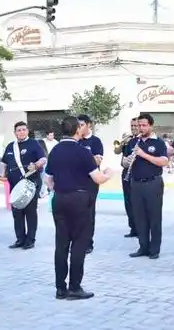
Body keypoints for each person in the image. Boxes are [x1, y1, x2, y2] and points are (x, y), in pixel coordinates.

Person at [45, 115, 113, 300]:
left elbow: (48, 179)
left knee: (61, 244)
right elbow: (97, 178)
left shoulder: (55, 150)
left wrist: (60, 188)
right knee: (78, 243)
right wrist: (108, 174)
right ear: (77, 130)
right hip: (79, 199)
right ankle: (74, 287)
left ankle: (60, 288)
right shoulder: (82, 151)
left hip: (59, 199)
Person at [127, 113, 169, 259]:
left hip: (153, 183)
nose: (141, 128)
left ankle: (154, 249)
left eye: (144, 125)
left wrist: (143, 154)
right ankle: (143, 246)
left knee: (154, 217)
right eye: (139, 125)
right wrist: (127, 160)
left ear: (151, 126)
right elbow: (124, 162)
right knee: (139, 217)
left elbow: (164, 161)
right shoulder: (133, 142)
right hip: (136, 183)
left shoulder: (158, 142)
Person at [0, 121, 47, 250]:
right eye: (18, 130)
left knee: (30, 212)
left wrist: (36, 165)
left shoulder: (34, 143)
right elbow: (3, 163)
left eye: (23, 129)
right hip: (15, 186)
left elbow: (43, 159)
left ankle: (30, 240)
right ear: (15, 132)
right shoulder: (10, 146)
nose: (21, 132)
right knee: (17, 213)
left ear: (27, 131)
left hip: (30, 183)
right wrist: (1, 174)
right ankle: (20, 239)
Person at [77, 114, 104, 254]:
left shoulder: (95, 141)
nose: (79, 128)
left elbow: (97, 160)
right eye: (78, 125)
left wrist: (78, 159)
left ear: (88, 125)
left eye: (82, 125)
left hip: (90, 182)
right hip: (76, 181)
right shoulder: (76, 140)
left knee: (88, 213)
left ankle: (88, 243)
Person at [118, 118, 139, 237]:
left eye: (136, 125)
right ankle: (133, 228)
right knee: (128, 202)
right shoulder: (129, 141)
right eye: (132, 126)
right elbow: (122, 159)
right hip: (126, 174)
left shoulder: (142, 141)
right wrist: (125, 162)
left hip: (137, 175)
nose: (134, 128)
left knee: (138, 203)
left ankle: (141, 228)